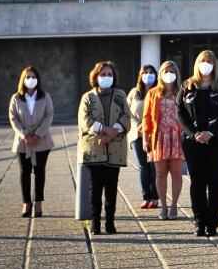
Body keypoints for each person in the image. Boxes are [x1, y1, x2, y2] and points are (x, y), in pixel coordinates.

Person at [179, 50, 218, 237]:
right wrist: (194, 134)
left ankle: (213, 224)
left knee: (215, 180)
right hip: (193, 141)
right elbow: (180, 113)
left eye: (210, 61)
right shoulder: (187, 85)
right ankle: (200, 223)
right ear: (197, 63)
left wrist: (211, 132)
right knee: (197, 182)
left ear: (215, 65)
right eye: (203, 61)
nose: (206, 64)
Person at [77, 61, 130, 235]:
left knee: (112, 187)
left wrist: (112, 133)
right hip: (94, 149)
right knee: (95, 187)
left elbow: (126, 117)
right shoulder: (88, 97)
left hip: (115, 149)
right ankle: (95, 223)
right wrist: (104, 130)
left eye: (109, 74)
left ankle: (110, 223)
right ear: (95, 76)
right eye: (103, 74)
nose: (106, 77)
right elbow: (84, 121)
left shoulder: (120, 95)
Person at [142, 61, 185, 220]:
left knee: (176, 172)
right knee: (160, 173)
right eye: (166, 70)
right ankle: (164, 207)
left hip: (177, 136)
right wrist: (145, 138)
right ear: (160, 73)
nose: (169, 73)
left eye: (172, 70)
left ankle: (174, 206)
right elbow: (146, 117)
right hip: (158, 136)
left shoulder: (181, 91)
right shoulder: (153, 93)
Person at [9, 65, 54, 219]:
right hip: (23, 142)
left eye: (33, 77)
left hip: (42, 141)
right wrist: (25, 135)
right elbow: (13, 118)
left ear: (38, 80)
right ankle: (26, 203)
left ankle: (39, 203)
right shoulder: (16, 98)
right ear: (23, 79)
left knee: (40, 172)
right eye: (27, 77)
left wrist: (38, 134)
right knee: (25, 173)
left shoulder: (45, 96)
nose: (30, 80)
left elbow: (49, 116)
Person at [126, 64, 160, 210]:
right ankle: (146, 197)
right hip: (137, 134)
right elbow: (127, 111)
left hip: (154, 134)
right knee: (143, 167)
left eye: (152, 72)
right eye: (146, 72)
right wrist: (138, 125)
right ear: (141, 75)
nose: (149, 75)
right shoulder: (134, 92)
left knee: (154, 167)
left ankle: (155, 197)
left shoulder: (159, 91)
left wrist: (147, 126)